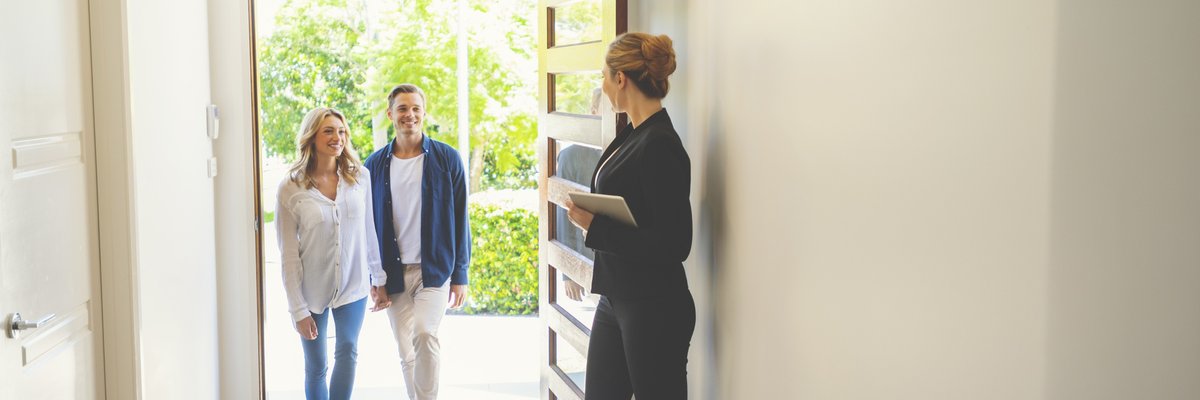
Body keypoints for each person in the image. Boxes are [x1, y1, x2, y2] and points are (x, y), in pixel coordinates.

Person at [564, 32, 695, 400]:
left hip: (654, 306)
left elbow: (675, 244)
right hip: (615, 298)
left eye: (604, 77)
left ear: (621, 78)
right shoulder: (633, 134)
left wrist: (595, 226)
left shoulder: (661, 144)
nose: (603, 87)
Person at [364, 84, 470, 400]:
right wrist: (374, 278)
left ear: (424, 112)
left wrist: (460, 274)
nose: (409, 115)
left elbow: (461, 217)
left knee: (425, 334)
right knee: (405, 349)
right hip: (393, 274)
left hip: (433, 270)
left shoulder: (447, 159)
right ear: (390, 115)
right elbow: (368, 228)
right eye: (402, 109)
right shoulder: (374, 165)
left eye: (415, 108)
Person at [276, 107, 390, 400]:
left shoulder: (359, 177)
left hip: (354, 286)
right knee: (316, 366)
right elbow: (288, 254)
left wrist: (379, 278)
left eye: (341, 131)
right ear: (312, 137)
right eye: (328, 131)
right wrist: (297, 309)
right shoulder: (290, 186)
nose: (337, 137)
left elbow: (369, 232)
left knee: (348, 351)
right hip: (311, 290)